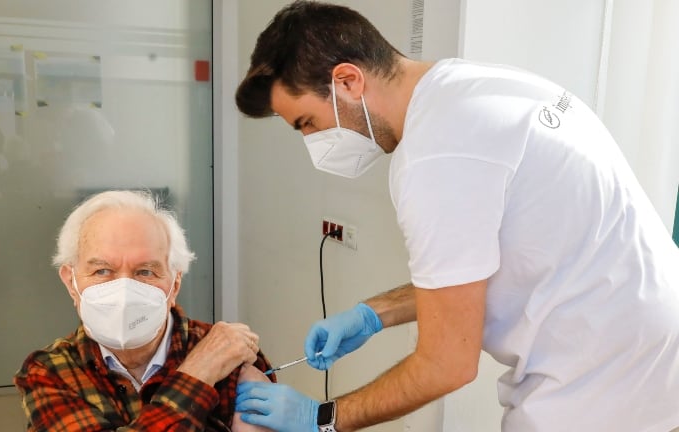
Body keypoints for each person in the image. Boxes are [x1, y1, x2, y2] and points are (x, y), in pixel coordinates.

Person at [233, 1, 679, 431]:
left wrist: (322, 419)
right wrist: (373, 313)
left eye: (307, 123)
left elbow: (446, 365)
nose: (313, 143)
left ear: (348, 80)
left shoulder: (436, 155)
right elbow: (480, 266)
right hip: (653, 352)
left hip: (606, 386)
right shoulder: (477, 87)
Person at [15, 190, 274, 431]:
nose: (124, 291)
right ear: (71, 283)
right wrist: (199, 372)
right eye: (102, 271)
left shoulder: (230, 352)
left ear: (174, 285)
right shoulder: (49, 371)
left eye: (145, 272)